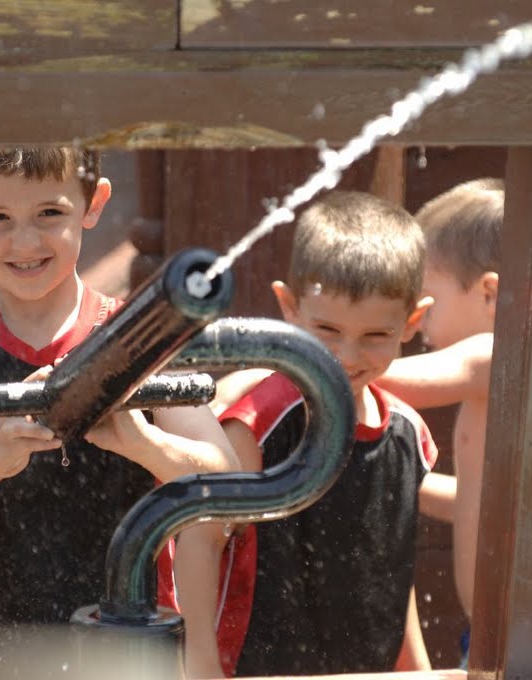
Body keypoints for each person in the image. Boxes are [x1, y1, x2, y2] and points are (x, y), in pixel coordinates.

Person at [0, 147, 238, 678]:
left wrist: (141, 442)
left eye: (49, 214)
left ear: (92, 204)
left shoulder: (138, 338)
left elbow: (230, 488)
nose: (25, 241)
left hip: (124, 643)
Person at [210, 190, 437, 676]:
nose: (348, 356)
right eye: (328, 329)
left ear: (411, 323)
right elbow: (201, 542)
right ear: (289, 309)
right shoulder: (260, 423)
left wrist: (417, 669)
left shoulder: (407, 436)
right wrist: (201, 666)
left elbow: (394, 570)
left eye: (375, 335)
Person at [375, 177, 503, 668]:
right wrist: (412, 486)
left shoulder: (497, 352)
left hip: (510, 637)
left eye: (429, 300)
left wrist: (294, 368)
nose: (418, 317)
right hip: (490, 634)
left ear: (490, 293)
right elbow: (477, 502)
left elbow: (388, 382)